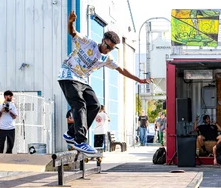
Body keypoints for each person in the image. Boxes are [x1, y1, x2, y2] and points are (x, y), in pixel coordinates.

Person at [58, 10, 152, 155]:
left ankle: (71, 134)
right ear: (102, 40)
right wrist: (70, 22)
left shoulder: (106, 59)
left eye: (111, 48)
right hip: (68, 75)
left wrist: (139, 80)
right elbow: (73, 32)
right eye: (106, 46)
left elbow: (121, 70)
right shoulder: (88, 42)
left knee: (95, 105)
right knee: (79, 104)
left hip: (81, 80)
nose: (107, 50)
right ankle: (80, 141)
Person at [0, 90, 18, 155]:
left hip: (11, 129)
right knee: (0, 145)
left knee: (10, 146)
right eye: (9, 96)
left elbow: (15, 116)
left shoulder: (13, 106)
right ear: (5, 96)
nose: (11, 97)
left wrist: (9, 112)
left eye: (11, 96)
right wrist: (1, 111)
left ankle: (8, 160)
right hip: (2, 128)